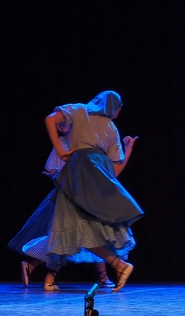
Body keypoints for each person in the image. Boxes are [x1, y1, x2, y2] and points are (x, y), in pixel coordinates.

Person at [34, 91, 142, 291]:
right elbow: (115, 172)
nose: (118, 113)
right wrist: (127, 151)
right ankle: (118, 265)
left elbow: (50, 119)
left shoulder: (78, 110)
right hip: (97, 175)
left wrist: (60, 149)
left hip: (79, 171)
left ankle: (118, 265)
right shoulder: (111, 128)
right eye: (119, 109)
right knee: (79, 226)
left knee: (69, 222)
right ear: (112, 107)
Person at [9, 118, 135, 288]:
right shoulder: (64, 144)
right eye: (58, 125)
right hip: (71, 196)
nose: (61, 126)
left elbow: (111, 171)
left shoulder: (85, 143)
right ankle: (41, 272)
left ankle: (99, 277)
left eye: (64, 122)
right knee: (77, 235)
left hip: (84, 194)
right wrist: (57, 177)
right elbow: (55, 171)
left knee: (84, 234)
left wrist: (127, 149)